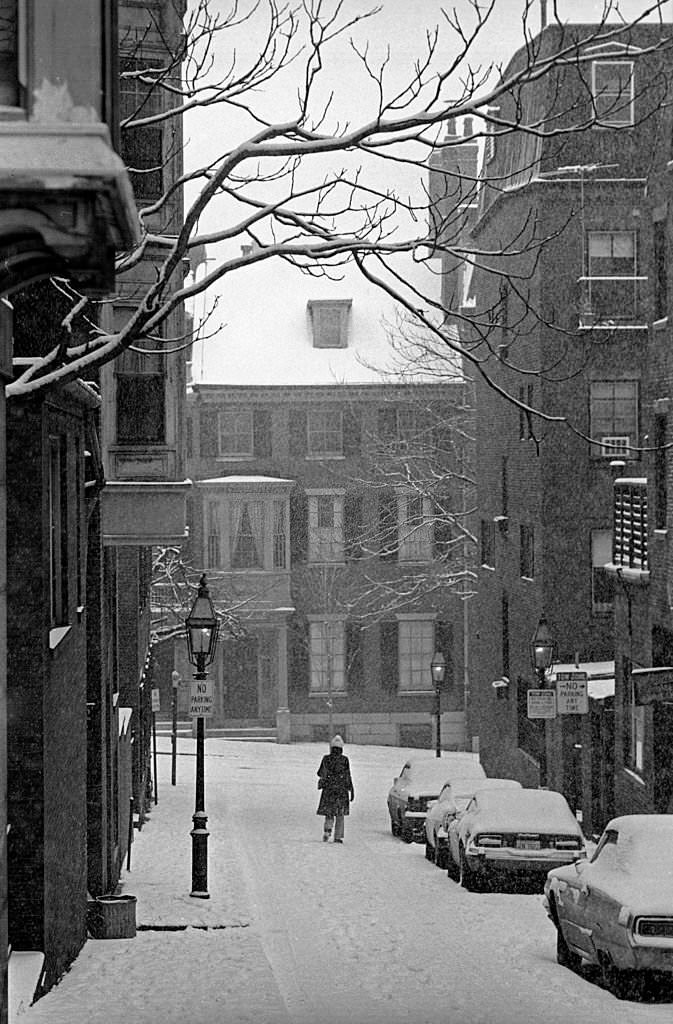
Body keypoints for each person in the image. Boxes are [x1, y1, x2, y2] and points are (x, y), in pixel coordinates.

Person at [316, 735, 355, 843]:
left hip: (329, 790)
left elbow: (320, 773)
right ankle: (338, 837)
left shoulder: (326, 759)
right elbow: (348, 775)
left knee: (329, 812)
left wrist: (326, 778)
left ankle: (327, 830)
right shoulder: (344, 760)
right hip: (341, 791)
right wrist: (351, 789)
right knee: (340, 814)